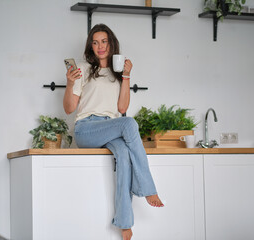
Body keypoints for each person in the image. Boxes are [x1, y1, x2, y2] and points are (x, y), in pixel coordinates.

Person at [63, 23, 164, 240]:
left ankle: (124, 222)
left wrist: (126, 75)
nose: (100, 46)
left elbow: (121, 108)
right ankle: (148, 187)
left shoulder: (118, 73)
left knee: (125, 154)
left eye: (104, 41)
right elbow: (69, 108)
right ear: (91, 46)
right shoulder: (83, 69)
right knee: (128, 123)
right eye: (95, 42)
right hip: (87, 129)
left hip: (111, 127)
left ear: (111, 44)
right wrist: (69, 84)